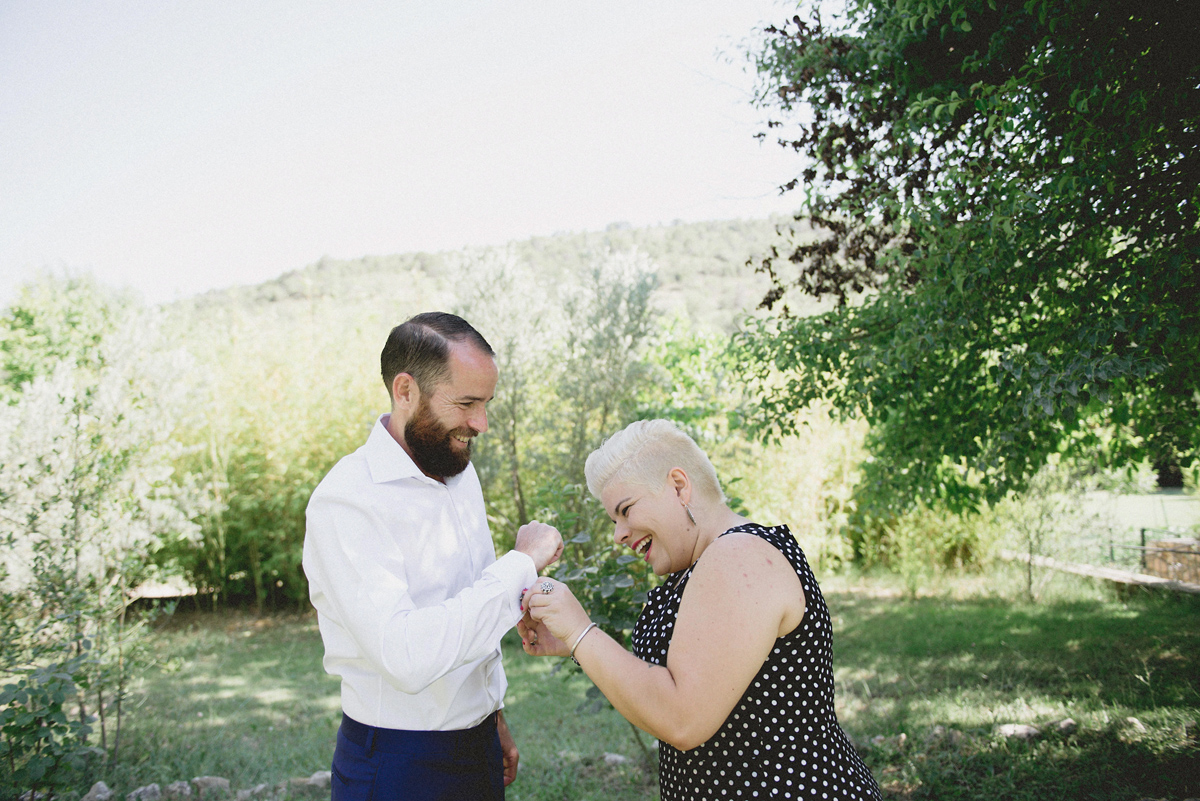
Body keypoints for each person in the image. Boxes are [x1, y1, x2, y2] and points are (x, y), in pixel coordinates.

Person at [519, 419, 881, 800]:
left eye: (626, 510)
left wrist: (581, 633)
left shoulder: (739, 556)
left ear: (679, 486)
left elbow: (682, 719)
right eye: (614, 519)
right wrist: (573, 642)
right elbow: (667, 688)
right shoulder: (701, 565)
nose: (618, 534)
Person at [303, 312, 563, 801]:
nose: (480, 424)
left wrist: (494, 714)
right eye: (466, 403)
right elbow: (406, 657)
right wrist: (522, 563)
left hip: (478, 745)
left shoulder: (459, 470)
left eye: (485, 404)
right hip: (399, 765)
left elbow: (468, 599)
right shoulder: (348, 501)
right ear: (405, 391)